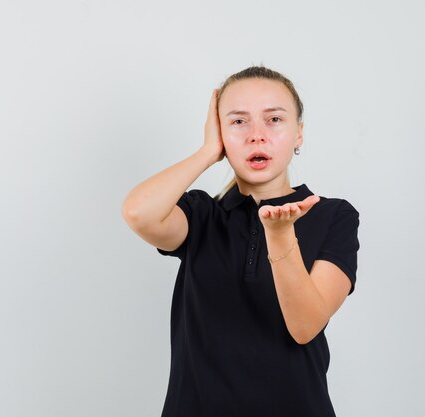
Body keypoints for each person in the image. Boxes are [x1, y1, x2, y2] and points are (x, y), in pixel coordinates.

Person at [121, 66, 360, 417]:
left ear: (299, 134)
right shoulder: (200, 215)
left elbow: (305, 326)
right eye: (238, 122)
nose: (256, 136)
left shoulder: (334, 216)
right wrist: (207, 152)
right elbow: (139, 213)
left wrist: (279, 237)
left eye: (274, 119)